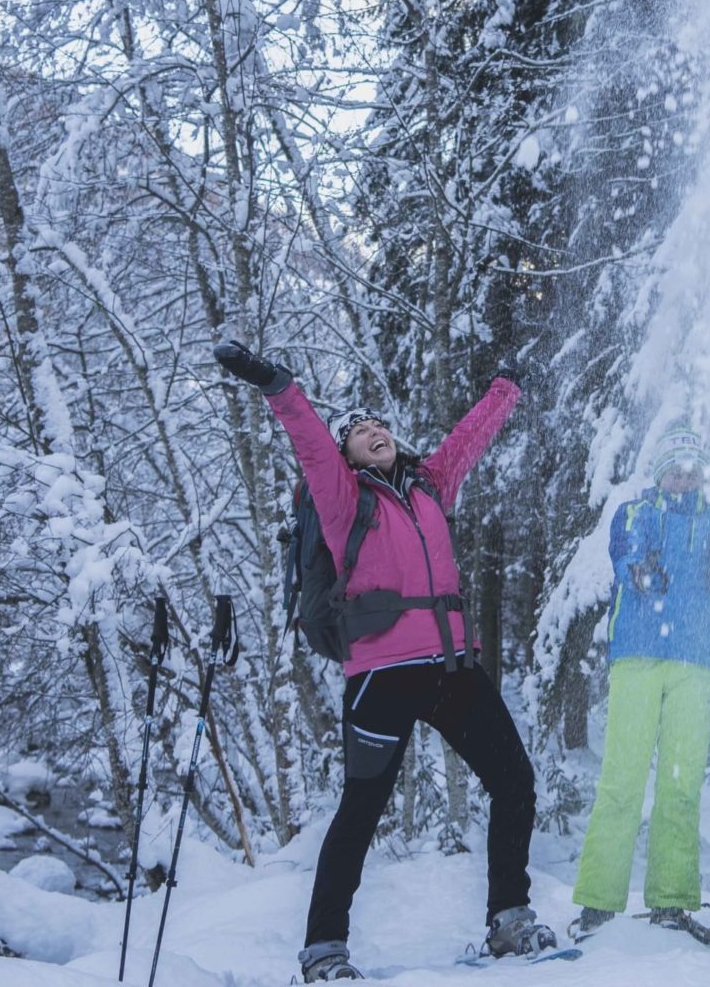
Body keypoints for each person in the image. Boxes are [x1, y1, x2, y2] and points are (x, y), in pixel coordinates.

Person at [213, 340, 555, 981]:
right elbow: (310, 437)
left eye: (379, 425)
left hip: (454, 673)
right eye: (359, 431)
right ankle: (324, 951)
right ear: (346, 456)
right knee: (361, 811)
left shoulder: (430, 485)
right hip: (382, 677)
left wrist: (505, 384)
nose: (373, 431)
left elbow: (468, 439)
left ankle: (509, 919)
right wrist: (277, 383)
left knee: (515, 782)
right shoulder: (345, 502)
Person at [571, 427, 710, 940]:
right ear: (660, 469)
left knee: (680, 785)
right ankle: (598, 904)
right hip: (638, 658)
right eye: (676, 465)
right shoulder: (635, 512)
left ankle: (671, 901)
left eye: (693, 467)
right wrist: (639, 570)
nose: (684, 475)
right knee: (621, 781)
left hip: (695, 662)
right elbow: (622, 554)